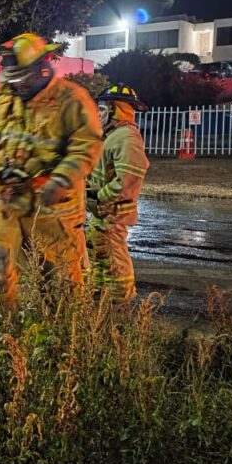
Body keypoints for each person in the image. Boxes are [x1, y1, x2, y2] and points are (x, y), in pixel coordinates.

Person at [0, 33, 102, 307]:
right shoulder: (9, 96)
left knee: (60, 281)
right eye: (13, 78)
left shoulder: (72, 99)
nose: (17, 84)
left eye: (22, 77)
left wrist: (61, 179)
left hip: (52, 208)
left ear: (42, 68)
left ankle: (67, 336)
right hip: (7, 200)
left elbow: (86, 145)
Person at [86, 83, 150, 302]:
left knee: (114, 260)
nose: (98, 115)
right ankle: (98, 303)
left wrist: (99, 197)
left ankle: (119, 305)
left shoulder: (127, 137)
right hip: (101, 214)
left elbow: (128, 179)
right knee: (100, 259)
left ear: (117, 110)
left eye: (103, 110)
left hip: (112, 214)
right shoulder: (111, 136)